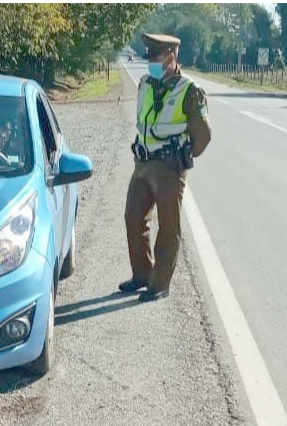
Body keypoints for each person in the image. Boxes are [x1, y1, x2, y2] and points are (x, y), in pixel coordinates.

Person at [119, 33, 212, 302]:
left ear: (171, 57)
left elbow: (203, 135)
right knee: (133, 218)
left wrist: (181, 159)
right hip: (143, 164)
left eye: (155, 56)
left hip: (169, 169)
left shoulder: (189, 90)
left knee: (169, 228)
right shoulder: (146, 84)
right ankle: (142, 275)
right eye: (148, 55)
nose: (150, 61)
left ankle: (159, 285)